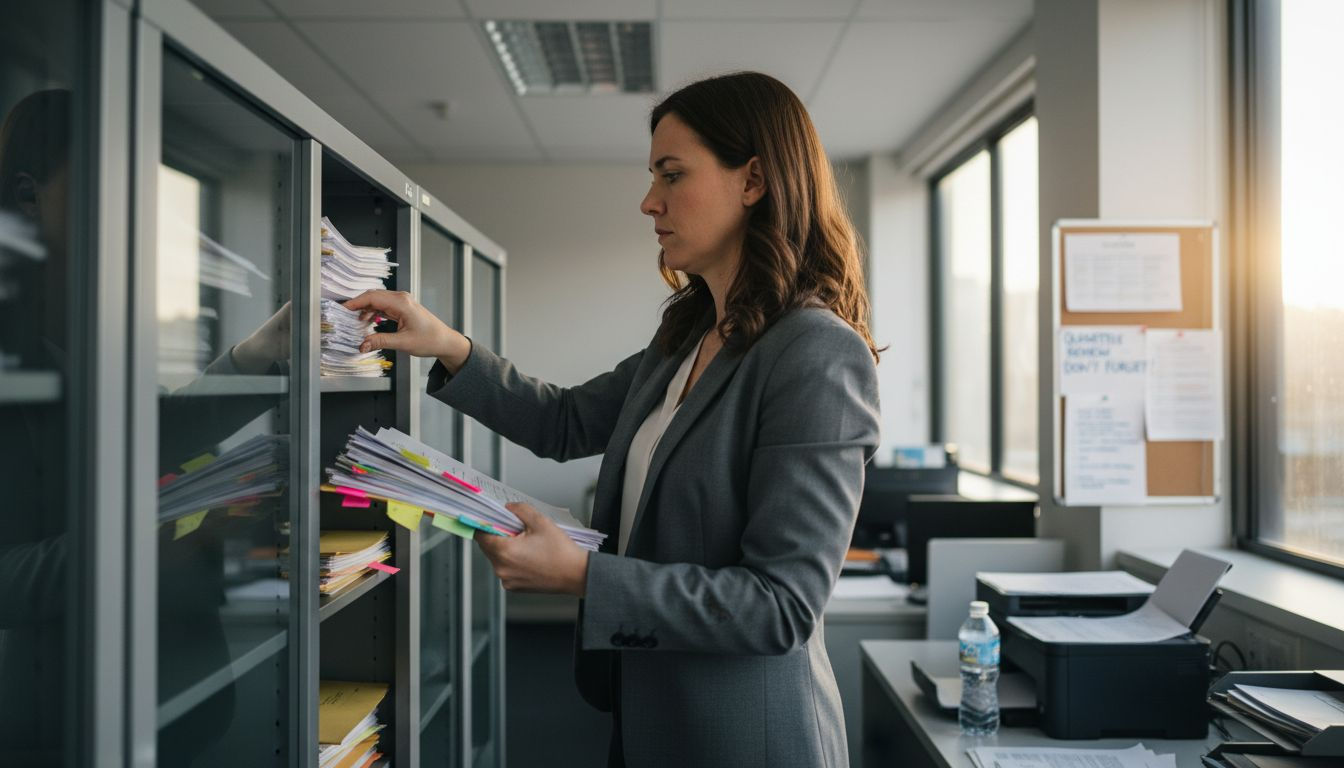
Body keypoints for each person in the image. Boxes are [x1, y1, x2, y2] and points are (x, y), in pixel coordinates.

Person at [347, 71, 882, 768]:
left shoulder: (815, 353)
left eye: (671, 174)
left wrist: (581, 577)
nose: (648, 201)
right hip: (649, 711)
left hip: (744, 739)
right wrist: (445, 344)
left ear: (753, 181)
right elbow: (566, 420)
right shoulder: (686, 340)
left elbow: (779, 604)